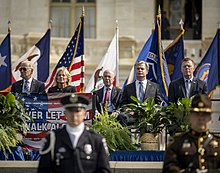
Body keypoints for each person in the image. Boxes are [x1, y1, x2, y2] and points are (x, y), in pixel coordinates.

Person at [38, 94, 111, 173]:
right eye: (70, 111)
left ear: (84, 113)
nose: (74, 115)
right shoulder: (53, 139)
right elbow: (43, 170)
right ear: (65, 114)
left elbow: (104, 170)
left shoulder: (96, 140)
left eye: (77, 111)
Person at [163, 94, 220, 173]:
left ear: (210, 119)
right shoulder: (177, 143)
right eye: (197, 114)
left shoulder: (218, 144)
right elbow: (169, 169)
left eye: (205, 115)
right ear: (190, 117)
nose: (201, 119)